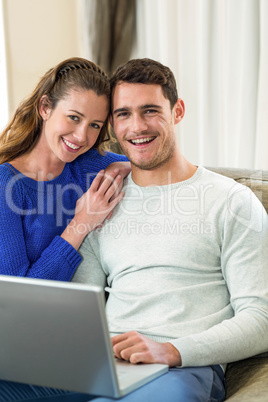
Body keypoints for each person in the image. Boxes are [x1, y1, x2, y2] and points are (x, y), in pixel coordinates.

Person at [73, 58, 268, 401]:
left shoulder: (231, 200)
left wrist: (172, 350)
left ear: (177, 111)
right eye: (123, 114)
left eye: (150, 110)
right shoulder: (101, 201)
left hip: (180, 369)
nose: (137, 127)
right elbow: (78, 311)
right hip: (105, 363)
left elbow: (261, 319)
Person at [0, 57, 130, 401]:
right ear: (45, 107)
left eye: (94, 125)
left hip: (67, 348)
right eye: (73, 118)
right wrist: (80, 224)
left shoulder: (89, 167)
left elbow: (152, 164)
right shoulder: (5, 185)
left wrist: (124, 167)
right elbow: (23, 301)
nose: (81, 136)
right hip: (15, 342)